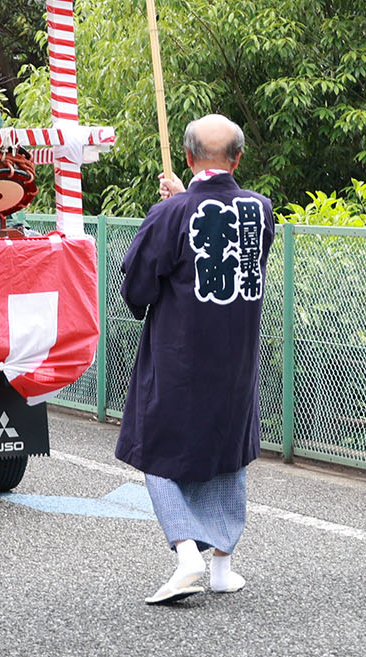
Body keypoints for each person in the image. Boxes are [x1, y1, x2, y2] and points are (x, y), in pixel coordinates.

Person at [115, 116, 277, 605]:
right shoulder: (260, 209)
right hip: (237, 357)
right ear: (238, 159)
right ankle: (222, 566)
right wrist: (182, 201)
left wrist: (173, 206)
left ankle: (187, 552)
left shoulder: (172, 213)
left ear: (187, 157)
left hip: (180, 357)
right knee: (228, 451)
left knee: (156, 448)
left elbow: (138, 284)